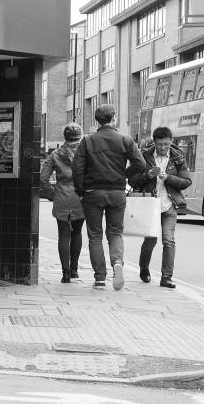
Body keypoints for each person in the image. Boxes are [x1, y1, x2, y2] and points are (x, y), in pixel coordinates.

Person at [72, 104, 146, 290]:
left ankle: (99, 278)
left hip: (93, 192)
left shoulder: (87, 141)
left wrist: (81, 190)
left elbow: (77, 168)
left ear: (97, 120)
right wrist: (124, 173)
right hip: (117, 191)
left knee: (95, 236)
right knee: (115, 233)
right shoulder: (125, 139)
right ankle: (118, 263)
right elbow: (141, 163)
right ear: (114, 117)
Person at [128, 127, 192, 289]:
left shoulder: (178, 157)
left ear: (171, 141)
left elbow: (186, 181)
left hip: (169, 205)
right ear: (154, 143)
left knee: (168, 240)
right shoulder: (144, 156)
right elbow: (132, 180)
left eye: (166, 144)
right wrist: (147, 175)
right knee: (150, 240)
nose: (163, 148)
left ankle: (166, 277)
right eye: (159, 145)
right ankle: (144, 268)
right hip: (150, 205)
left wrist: (168, 178)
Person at [40, 123, 86, 283]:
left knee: (64, 235)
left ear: (64, 136)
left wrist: (50, 194)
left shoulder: (55, 154)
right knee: (77, 233)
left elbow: (42, 178)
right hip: (80, 198)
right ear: (80, 136)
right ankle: (74, 269)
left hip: (61, 196)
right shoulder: (85, 154)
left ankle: (65, 272)